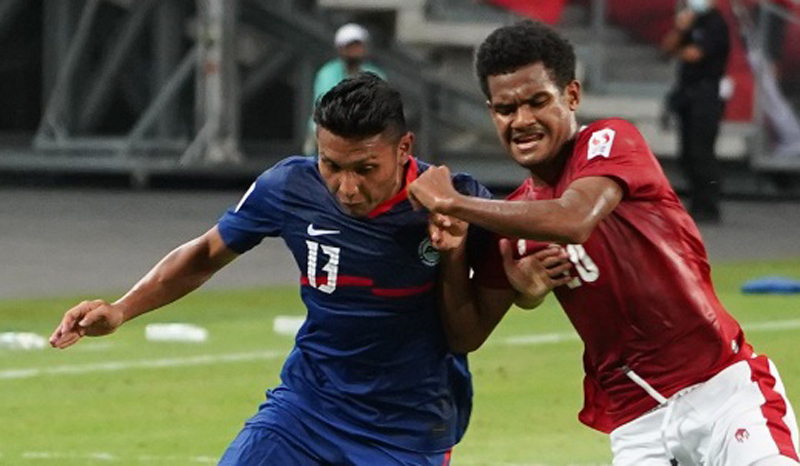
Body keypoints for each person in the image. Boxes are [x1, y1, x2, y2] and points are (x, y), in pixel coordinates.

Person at [48, 73, 567, 465]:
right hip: (305, 406)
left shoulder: (459, 202)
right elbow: (206, 253)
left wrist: (469, 260)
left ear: (403, 148)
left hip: (406, 431)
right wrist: (121, 310)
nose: (346, 187)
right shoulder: (288, 188)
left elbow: (471, 329)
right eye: (331, 165)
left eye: (365, 169)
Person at [409, 20, 800, 466]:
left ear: (572, 96)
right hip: (637, 422)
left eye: (538, 101)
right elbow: (466, 333)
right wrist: (460, 253)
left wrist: (455, 204)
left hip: (722, 391)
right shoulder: (513, 221)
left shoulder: (610, 141)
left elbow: (573, 219)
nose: (521, 121)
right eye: (505, 109)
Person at [662, 0, 731, 224]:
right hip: (687, 93)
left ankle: (709, 205)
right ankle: (696, 202)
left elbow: (695, 54)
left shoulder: (715, 24)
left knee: (702, 150)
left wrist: (680, 48)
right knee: (687, 153)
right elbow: (667, 48)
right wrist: (681, 29)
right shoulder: (690, 21)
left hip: (707, 94)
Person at [303, 23, 387, 155]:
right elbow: (323, 109)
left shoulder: (376, 75)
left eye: (357, 45)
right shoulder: (327, 73)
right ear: (340, 48)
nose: (354, 50)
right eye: (349, 46)